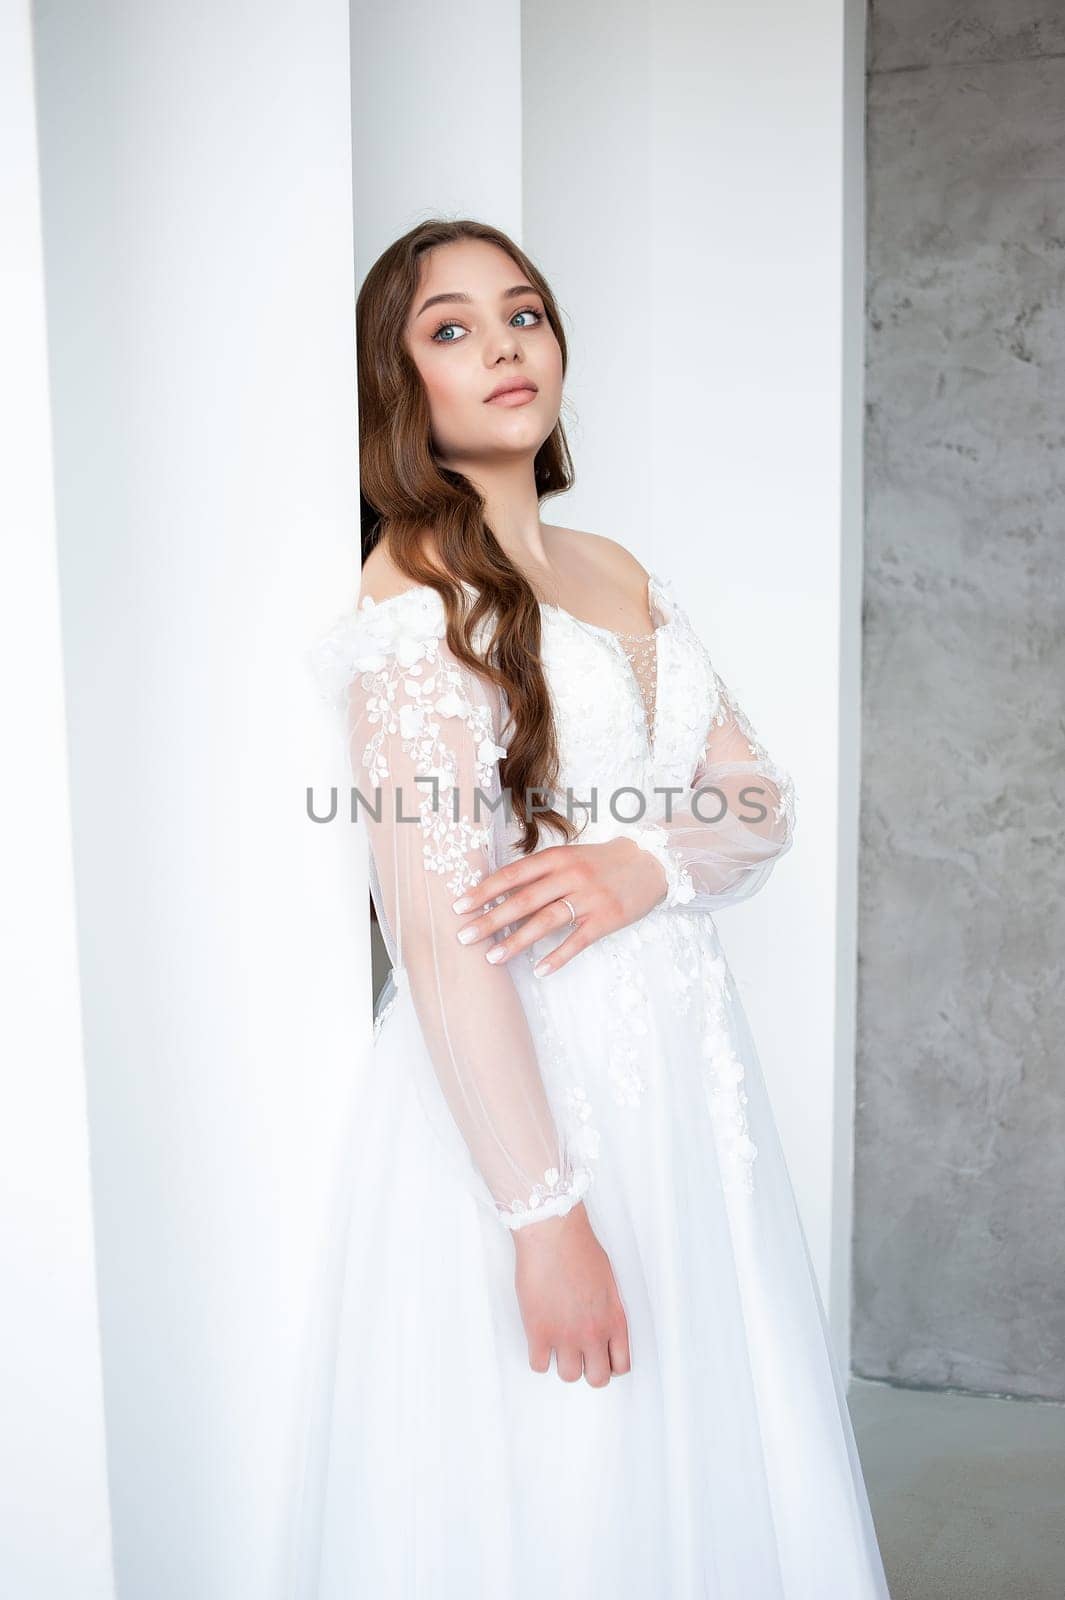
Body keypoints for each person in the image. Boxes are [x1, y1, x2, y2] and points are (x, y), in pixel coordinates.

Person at [294, 218, 891, 1597]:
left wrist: (642, 866)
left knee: (704, 1417)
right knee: (570, 1456)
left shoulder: (616, 567)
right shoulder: (412, 591)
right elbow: (438, 941)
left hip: (684, 1078)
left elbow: (762, 803)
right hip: (535, 1088)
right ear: (401, 384)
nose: (502, 345)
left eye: (523, 314)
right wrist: (542, 1216)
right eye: (449, 328)